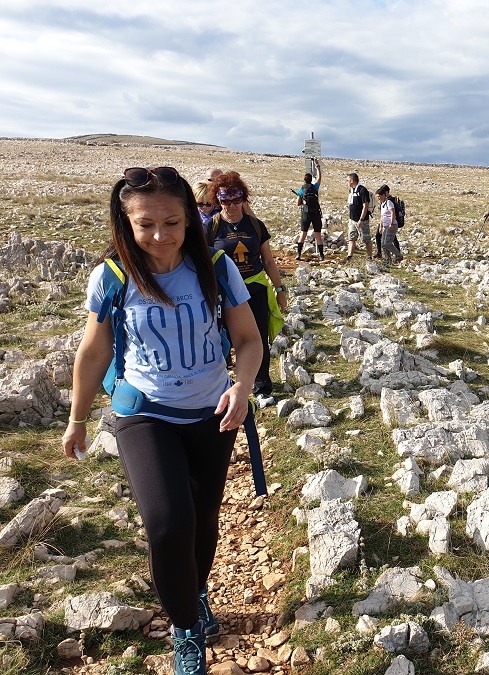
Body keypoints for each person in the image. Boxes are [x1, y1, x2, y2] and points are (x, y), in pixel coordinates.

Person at [62, 166, 263, 675]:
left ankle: (194, 593)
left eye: (172, 222)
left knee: (202, 520)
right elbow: (93, 351)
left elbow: (248, 339)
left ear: (191, 219)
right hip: (143, 411)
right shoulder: (113, 276)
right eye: (145, 224)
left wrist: (240, 387)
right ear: (126, 223)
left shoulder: (216, 266)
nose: (160, 236)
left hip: (212, 410)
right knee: (168, 523)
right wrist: (78, 418)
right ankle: (184, 628)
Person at [207, 172, 287, 408]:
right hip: (224, 292)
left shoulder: (255, 225)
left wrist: (280, 289)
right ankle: (224, 386)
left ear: (243, 198)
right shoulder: (210, 228)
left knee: (258, 337)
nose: (231, 205)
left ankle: (261, 387)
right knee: (224, 338)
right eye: (225, 200)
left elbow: (269, 261)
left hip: (255, 288)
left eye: (236, 199)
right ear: (217, 200)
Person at [295, 158, 325, 261]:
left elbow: (297, 203)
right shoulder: (315, 187)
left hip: (306, 213)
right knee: (318, 235)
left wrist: (303, 200)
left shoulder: (302, 189)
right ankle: (321, 255)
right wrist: (317, 166)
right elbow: (320, 177)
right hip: (316, 213)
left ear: (304, 180)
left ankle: (298, 254)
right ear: (311, 179)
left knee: (303, 234)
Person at [346, 172, 372, 261]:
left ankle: (369, 257)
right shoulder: (351, 190)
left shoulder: (362, 190)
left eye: (348, 180)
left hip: (362, 220)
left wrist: (361, 219)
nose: (347, 182)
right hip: (352, 219)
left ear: (352, 181)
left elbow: (365, 205)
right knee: (351, 237)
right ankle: (349, 256)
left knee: (366, 238)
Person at [375, 185, 402, 266]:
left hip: (391, 225)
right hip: (385, 226)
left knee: (386, 243)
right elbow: (382, 216)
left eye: (379, 196)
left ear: (384, 195)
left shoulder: (389, 202)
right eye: (377, 197)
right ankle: (388, 259)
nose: (378, 198)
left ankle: (398, 255)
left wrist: (391, 223)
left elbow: (392, 212)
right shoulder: (383, 204)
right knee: (383, 243)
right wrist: (381, 226)